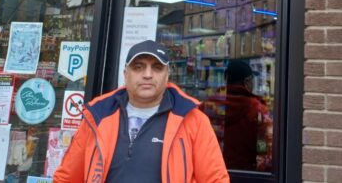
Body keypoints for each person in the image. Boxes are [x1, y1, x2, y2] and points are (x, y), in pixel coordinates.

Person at [54, 39, 229, 183]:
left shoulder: (193, 121)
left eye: (157, 67)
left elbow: (216, 180)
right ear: (125, 74)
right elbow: (67, 178)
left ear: (167, 75)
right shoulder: (97, 117)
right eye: (138, 67)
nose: (147, 74)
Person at [222, 60, 271, 171]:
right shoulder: (258, 111)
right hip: (246, 175)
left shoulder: (210, 107)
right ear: (247, 82)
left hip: (215, 175)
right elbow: (263, 150)